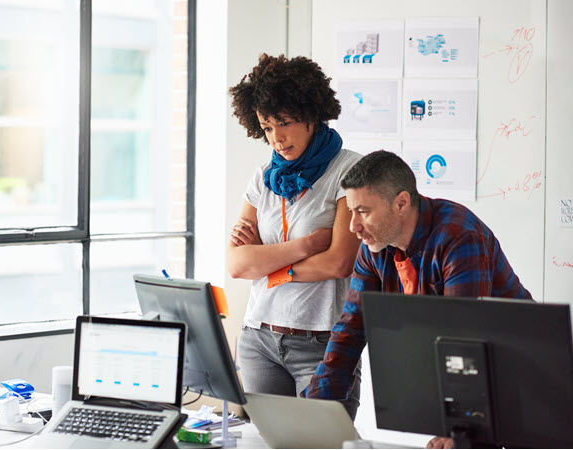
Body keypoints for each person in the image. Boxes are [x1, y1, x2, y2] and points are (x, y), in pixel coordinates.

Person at [301, 150, 532, 449]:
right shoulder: (374, 248)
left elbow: (464, 337)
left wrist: (458, 428)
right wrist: (314, 411)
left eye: (363, 211)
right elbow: (350, 329)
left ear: (401, 203)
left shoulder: (458, 236)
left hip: (513, 377)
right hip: (462, 376)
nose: (353, 226)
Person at [227, 53, 363, 418]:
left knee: (322, 445)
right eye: (267, 127)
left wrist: (272, 266)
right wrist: (306, 245)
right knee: (264, 443)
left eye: (284, 123)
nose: (277, 138)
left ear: (311, 114)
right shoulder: (264, 178)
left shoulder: (348, 170)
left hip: (320, 343)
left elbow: (338, 261)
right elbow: (239, 265)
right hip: (259, 339)